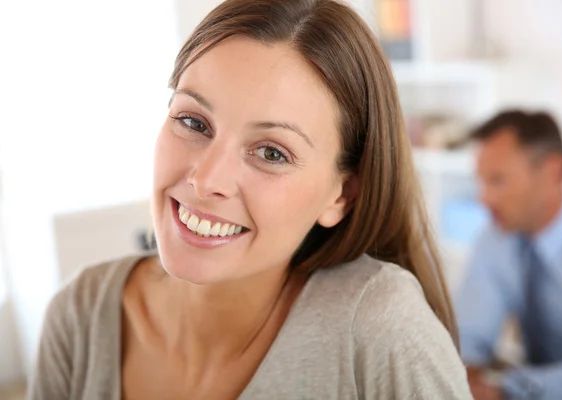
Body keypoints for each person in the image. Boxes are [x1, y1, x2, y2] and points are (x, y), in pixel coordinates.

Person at [28, 0, 471, 399]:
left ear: (342, 195)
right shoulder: (80, 316)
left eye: (272, 152)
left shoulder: (380, 330)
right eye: (193, 122)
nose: (206, 180)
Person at [456, 110, 562, 399]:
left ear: (553, 171)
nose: (484, 198)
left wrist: (506, 388)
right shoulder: (495, 238)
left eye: (497, 180)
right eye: (481, 181)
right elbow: (466, 343)